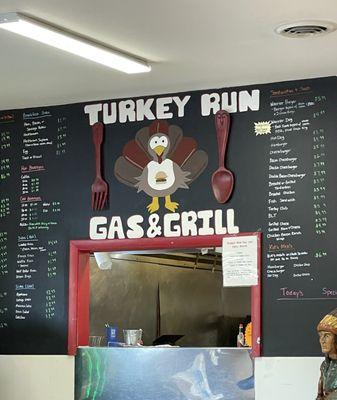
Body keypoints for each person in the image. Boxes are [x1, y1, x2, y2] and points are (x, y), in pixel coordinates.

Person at [316, 307, 337, 400]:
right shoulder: (325, 366)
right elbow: (319, 396)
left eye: (327, 336)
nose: (322, 341)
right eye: (320, 336)